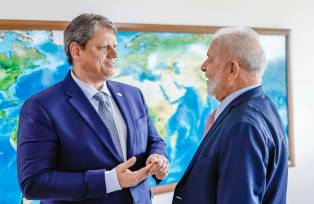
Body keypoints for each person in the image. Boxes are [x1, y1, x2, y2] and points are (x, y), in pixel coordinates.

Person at [17, 13, 169, 204]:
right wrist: (110, 180)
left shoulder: (133, 95)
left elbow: (154, 140)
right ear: (76, 51)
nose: (114, 54)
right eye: (104, 47)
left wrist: (158, 157)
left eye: (115, 46)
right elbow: (34, 183)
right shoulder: (41, 107)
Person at [173, 27, 288, 204]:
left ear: (232, 69)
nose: (203, 67)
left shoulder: (243, 126)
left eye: (210, 59)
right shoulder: (263, 106)